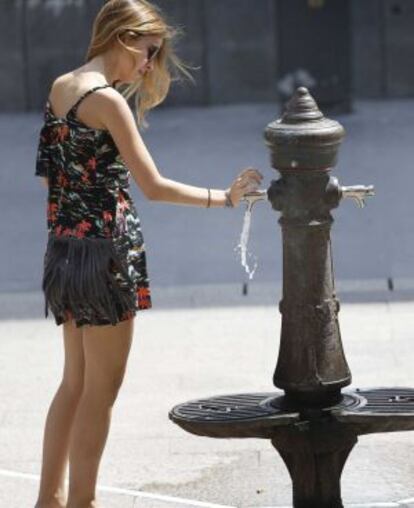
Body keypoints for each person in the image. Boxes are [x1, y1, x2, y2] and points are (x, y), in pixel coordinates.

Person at [33, 1, 263, 507]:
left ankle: (48, 500)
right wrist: (222, 199)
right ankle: (83, 502)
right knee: (101, 391)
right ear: (122, 37)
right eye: (148, 51)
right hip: (108, 256)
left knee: (73, 382)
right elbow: (153, 186)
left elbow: (50, 176)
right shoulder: (108, 102)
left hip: (64, 249)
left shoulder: (61, 87)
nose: (149, 65)